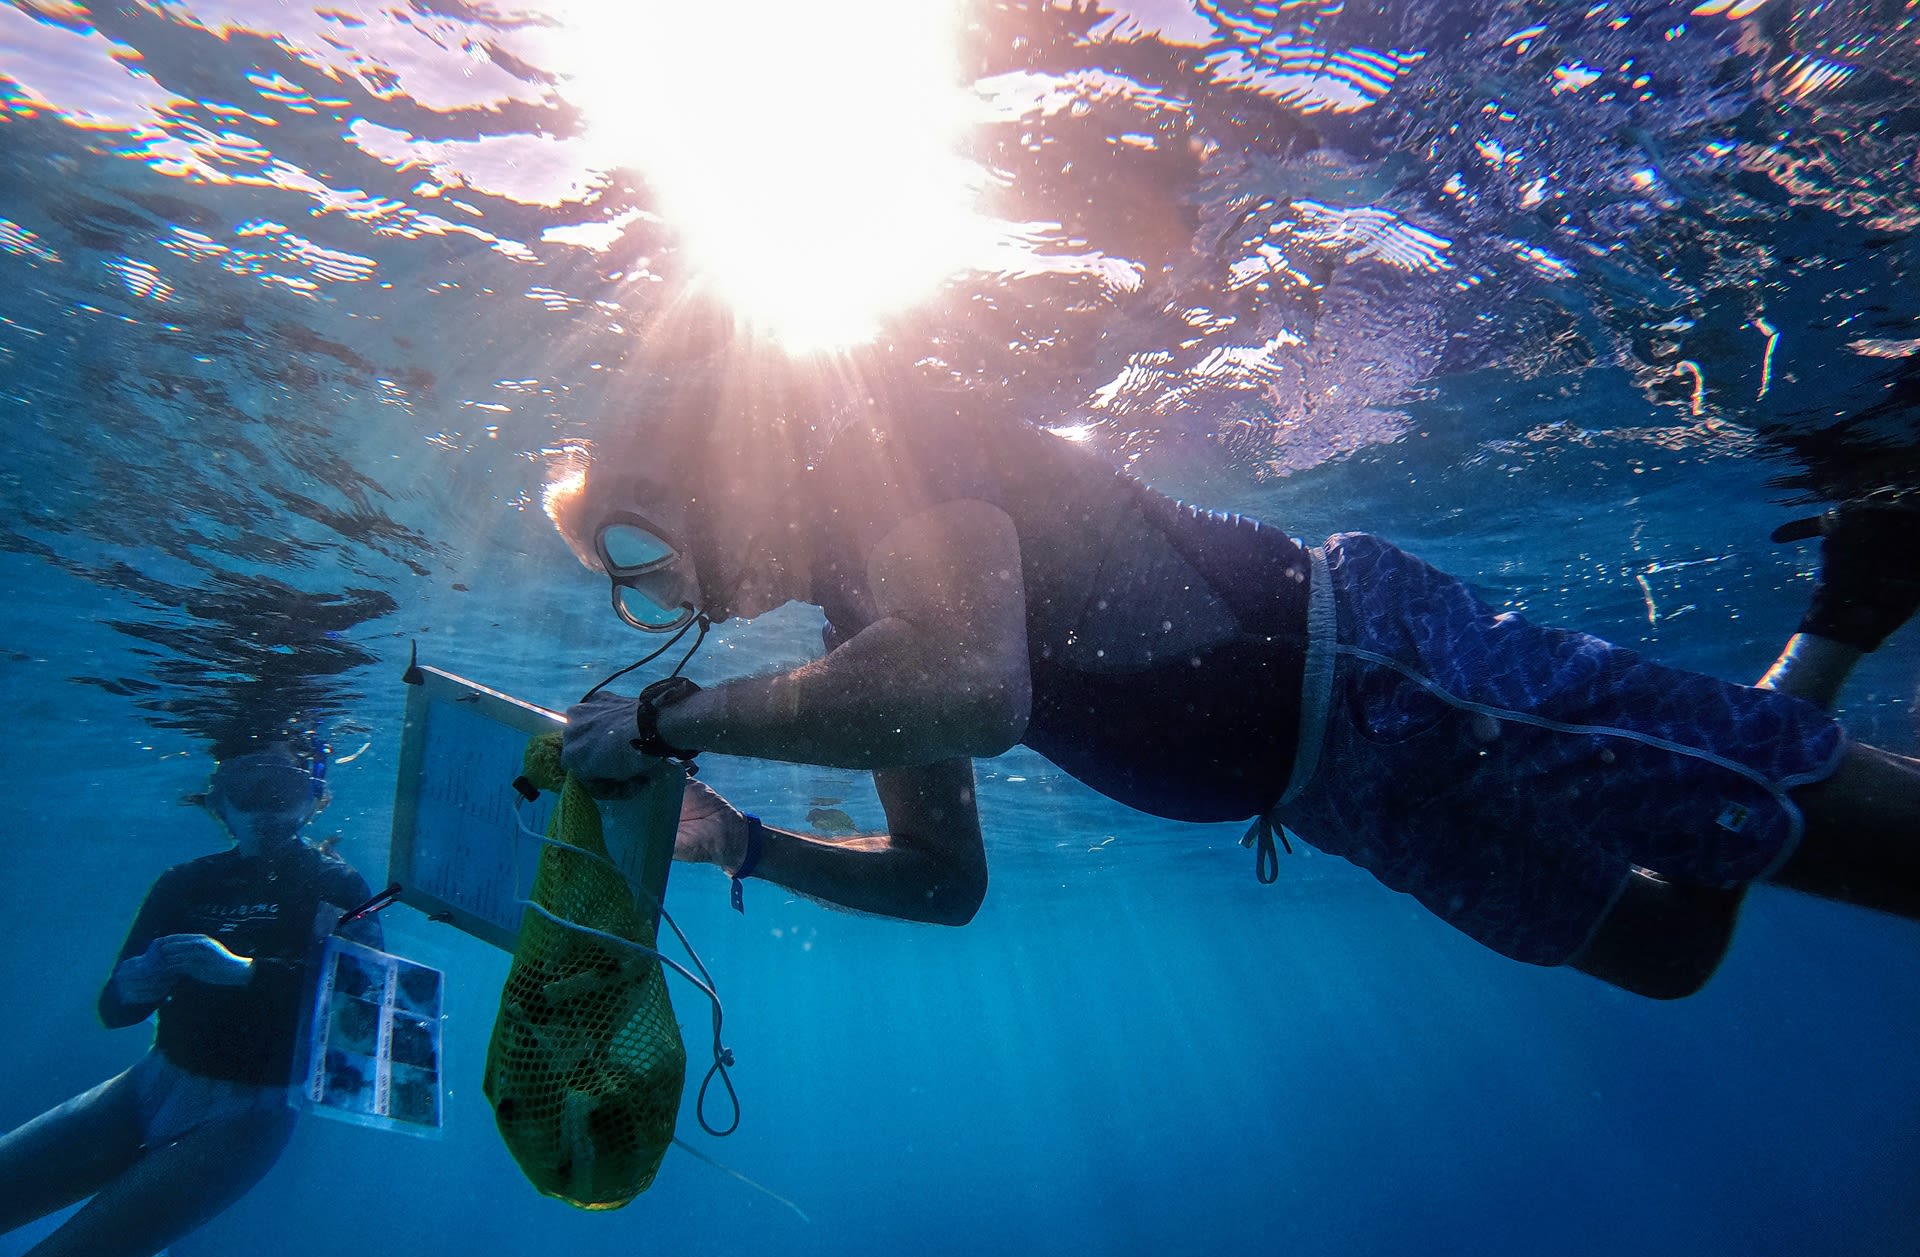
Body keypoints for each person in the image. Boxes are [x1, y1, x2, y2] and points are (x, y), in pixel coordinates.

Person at [553, 360, 1919, 1001]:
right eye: (618, 582)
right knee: (1666, 948)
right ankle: (1853, 603)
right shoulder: (870, 625)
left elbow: (979, 688)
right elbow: (940, 880)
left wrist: (671, 719)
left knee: (1865, 841)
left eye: (637, 544)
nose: (651, 595)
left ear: (711, 458)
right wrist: (742, 842)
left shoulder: (881, 437)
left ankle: (1858, 566)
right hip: (1337, 790)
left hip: (1391, 673)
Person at [0, 737, 381, 1257]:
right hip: (149, 1082)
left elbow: (363, 1017)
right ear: (217, 805)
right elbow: (115, 1010)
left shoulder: (338, 885)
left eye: (282, 791)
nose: (264, 809)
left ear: (313, 802)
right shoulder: (185, 882)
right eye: (245, 791)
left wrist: (246, 975)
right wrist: (134, 983)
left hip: (246, 1119)